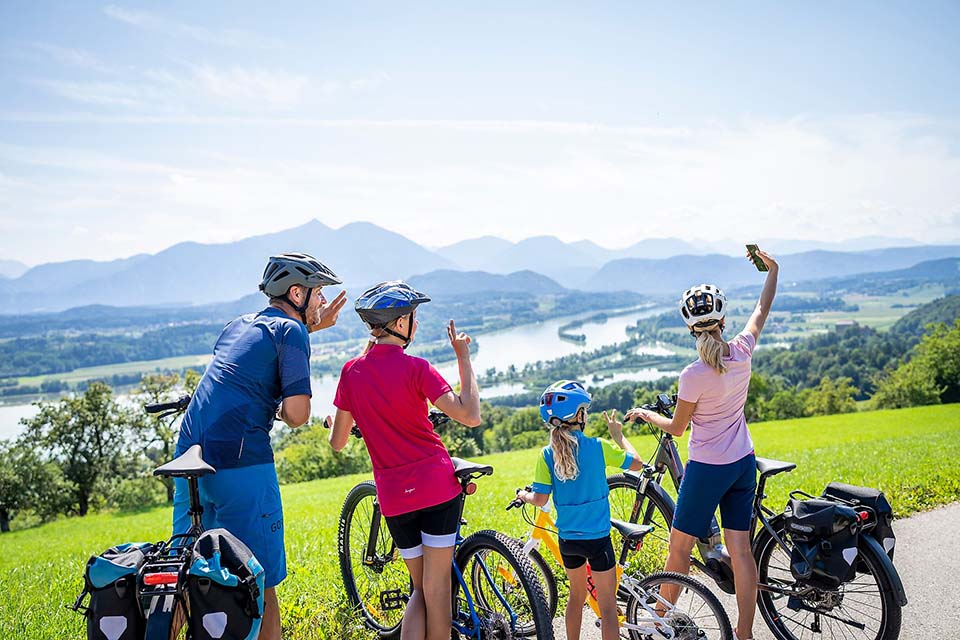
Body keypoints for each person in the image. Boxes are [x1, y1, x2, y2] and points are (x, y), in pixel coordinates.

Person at [172, 252, 347, 640]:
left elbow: (255, 352)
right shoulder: (293, 333)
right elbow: (299, 414)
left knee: (185, 575)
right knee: (258, 581)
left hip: (187, 458)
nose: (322, 301)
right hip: (240, 464)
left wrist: (309, 327)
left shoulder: (237, 325)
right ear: (297, 293)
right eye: (318, 293)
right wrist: (280, 407)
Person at [624, 248, 779, 640]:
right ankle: (744, 632)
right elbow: (761, 311)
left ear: (691, 329)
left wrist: (645, 415)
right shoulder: (742, 352)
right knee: (741, 552)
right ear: (723, 320)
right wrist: (772, 270)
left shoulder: (692, 375)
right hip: (743, 462)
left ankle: (657, 622)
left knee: (678, 552)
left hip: (708, 470)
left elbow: (677, 428)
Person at [328, 280, 481, 640]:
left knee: (419, 590)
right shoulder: (417, 368)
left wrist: (337, 418)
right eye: (413, 317)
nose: (416, 323)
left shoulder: (351, 372)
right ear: (399, 324)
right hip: (435, 487)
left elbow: (337, 442)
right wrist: (462, 357)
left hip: (395, 498)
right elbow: (470, 414)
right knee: (438, 588)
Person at [514, 380, 644, 640]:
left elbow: (540, 499)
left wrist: (523, 495)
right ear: (579, 415)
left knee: (576, 597)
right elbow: (638, 464)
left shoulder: (546, 454)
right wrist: (619, 436)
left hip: (569, 540)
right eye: (585, 409)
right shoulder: (598, 446)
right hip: (597, 539)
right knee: (607, 607)